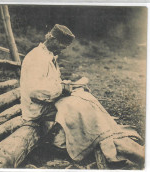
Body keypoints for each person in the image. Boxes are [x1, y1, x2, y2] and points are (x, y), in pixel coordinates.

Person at [20, 24, 144, 168]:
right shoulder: (36, 57)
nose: (62, 50)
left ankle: (107, 136)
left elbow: (50, 82)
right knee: (79, 107)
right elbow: (35, 92)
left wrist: (69, 85)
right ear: (53, 40)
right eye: (62, 46)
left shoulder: (48, 55)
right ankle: (101, 142)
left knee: (86, 98)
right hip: (38, 108)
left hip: (48, 100)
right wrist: (62, 89)